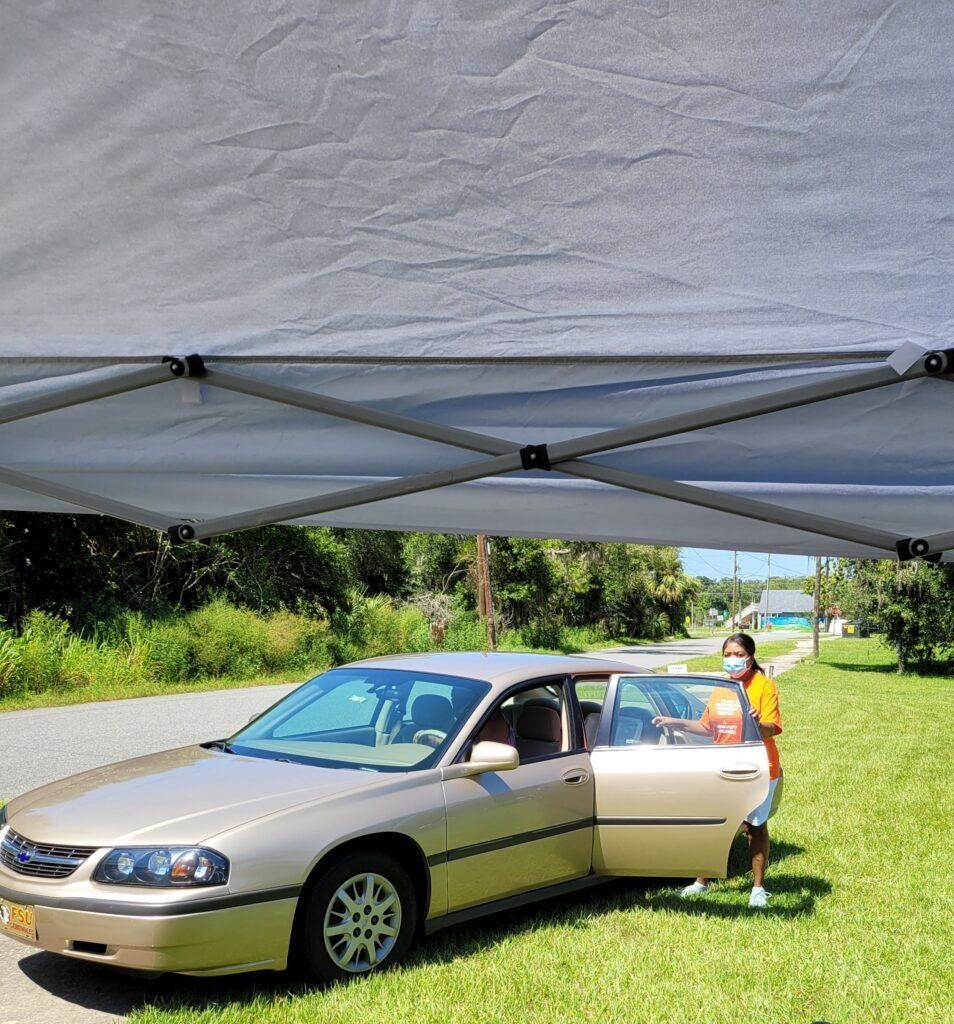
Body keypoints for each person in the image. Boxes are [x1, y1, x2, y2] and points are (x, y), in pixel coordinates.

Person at [651, 632, 783, 908]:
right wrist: (675, 721)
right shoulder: (722, 688)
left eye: (738, 655)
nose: (732, 660)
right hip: (721, 766)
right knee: (713, 825)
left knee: (753, 827)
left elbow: (771, 729)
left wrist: (757, 723)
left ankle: (758, 889)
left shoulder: (763, 686)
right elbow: (706, 727)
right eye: (727, 655)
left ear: (750, 656)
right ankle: (702, 881)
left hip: (756, 767)